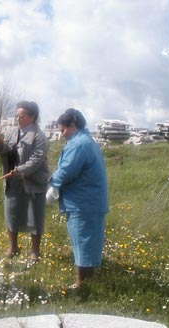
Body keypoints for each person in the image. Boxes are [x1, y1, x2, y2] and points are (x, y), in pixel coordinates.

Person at [49, 108, 108, 288]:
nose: (62, 135)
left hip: (81, 202)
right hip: (91, 201)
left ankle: (82, 284)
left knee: (82, 242)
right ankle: (89, 280)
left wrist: (52, 185)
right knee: (89, 241)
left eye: (63, 130)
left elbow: (67, 171)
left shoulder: (78, 144)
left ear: (72, 125)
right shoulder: (87, 141)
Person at [0, 101, 49, 262]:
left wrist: (19, 171)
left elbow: (36, 160)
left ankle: (35, 252)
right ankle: (13, 247)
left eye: (21, 116)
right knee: (11, 213)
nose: (18, 119)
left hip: (33, 181)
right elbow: (5, 150)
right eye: (16, 115)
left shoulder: (39, 136)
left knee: (34, 216)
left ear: (32, 117)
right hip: (12, 181)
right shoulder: (11, 132)